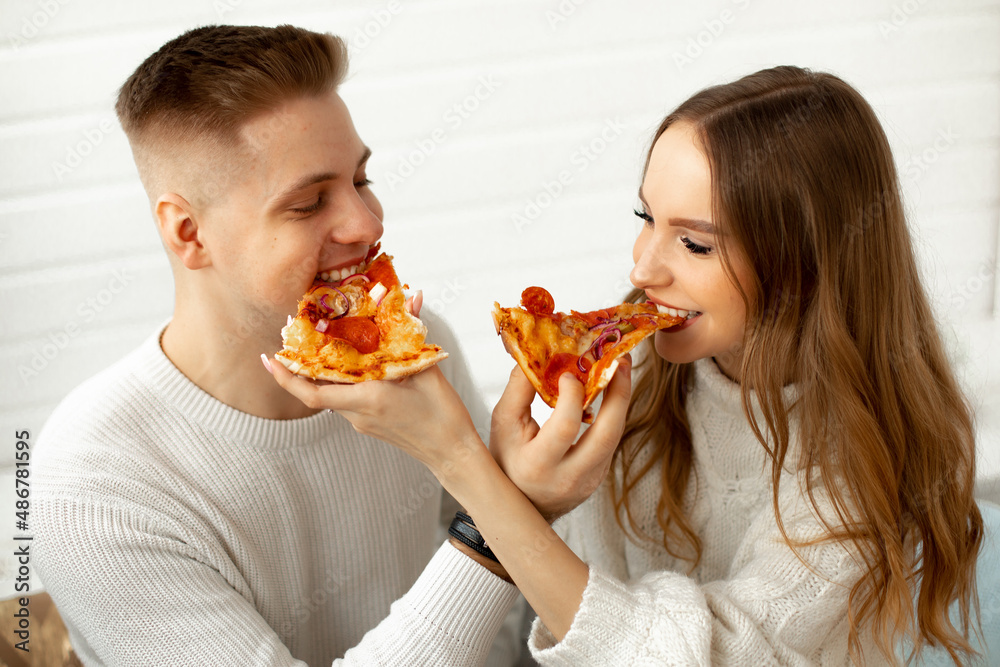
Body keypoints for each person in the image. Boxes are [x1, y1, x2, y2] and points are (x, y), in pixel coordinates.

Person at [269, 65, 986, 665]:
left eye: (695, 245)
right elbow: (535, 597)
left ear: (809, 267)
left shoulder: (868, 465)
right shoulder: (626, 363)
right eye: (646, 220)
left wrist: (462, 461)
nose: (643, 269)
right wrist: (522, 492)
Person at [32, 24, 634, 666]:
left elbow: (516, 611)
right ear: (189, 233)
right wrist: (497, 517)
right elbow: (492, 542)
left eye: (361, 179)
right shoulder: (93, 486)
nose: (367, 223)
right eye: (308, 203)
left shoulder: (415, 352)